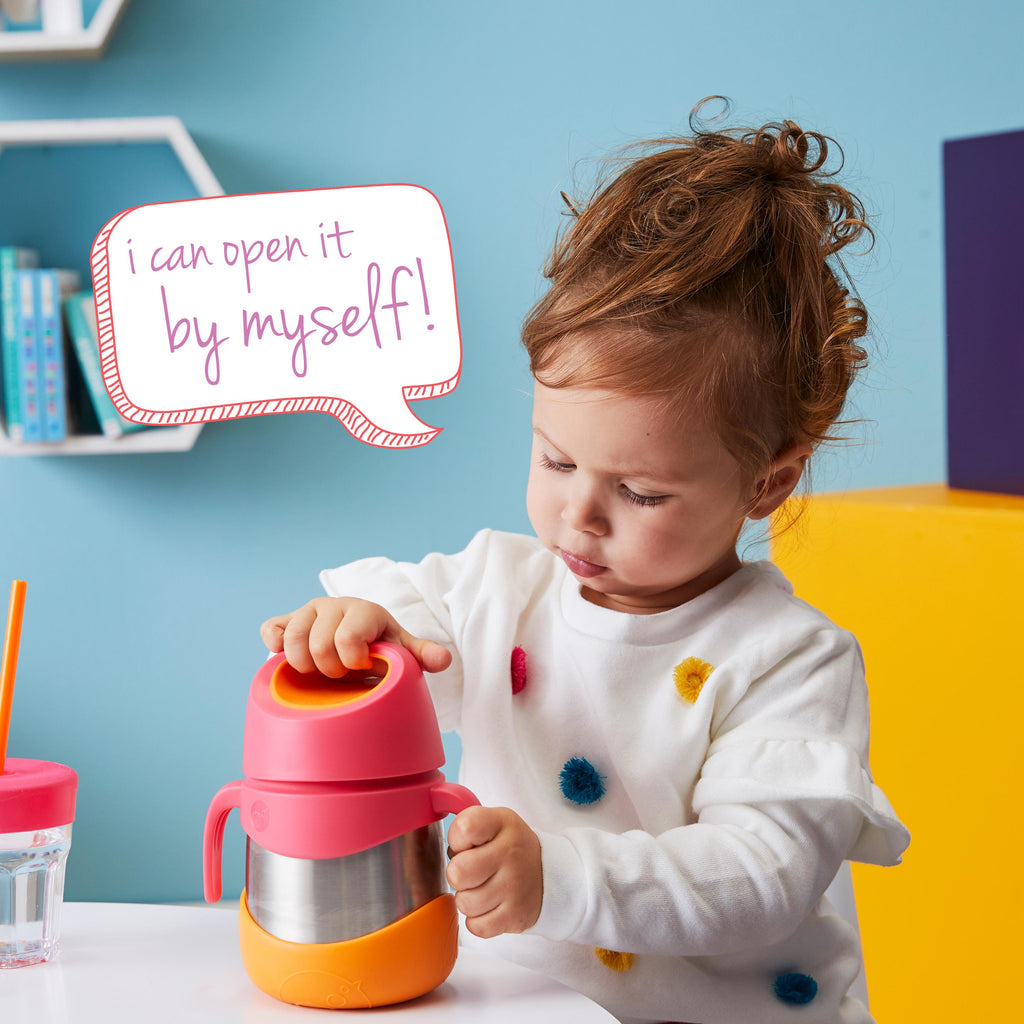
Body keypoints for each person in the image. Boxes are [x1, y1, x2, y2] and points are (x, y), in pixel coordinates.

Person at [261, 101, 910, 1024]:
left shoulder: (788, 660)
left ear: (766, 484)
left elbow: (760, 872)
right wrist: (357, 636)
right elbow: (405, 642)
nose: (579, 515)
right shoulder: (494, 591)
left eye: (639, 493)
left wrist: (558, 877)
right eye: (556, 461)